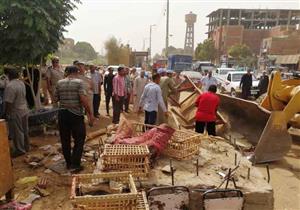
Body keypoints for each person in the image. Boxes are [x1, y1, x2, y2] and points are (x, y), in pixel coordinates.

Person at [54, 66, 94, 172]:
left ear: (67, 72)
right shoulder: (79, 82)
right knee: (79, 139)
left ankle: (68, 163)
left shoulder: (59, 83)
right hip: (76, 115)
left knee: (65, 139)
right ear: (76, 72)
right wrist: (90, 114)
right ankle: (75, 164)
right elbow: (83, 99)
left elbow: (55, 98)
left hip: (62, 114)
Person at [4, 67, 29, 157]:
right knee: (25, 130)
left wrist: (7, 113)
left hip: (16, 111)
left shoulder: (10, 86)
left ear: (9, 76)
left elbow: (9, 102)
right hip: (24, 109)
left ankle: (20, 150)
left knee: (17, 132)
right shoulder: (21, 83)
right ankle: (26, 147)